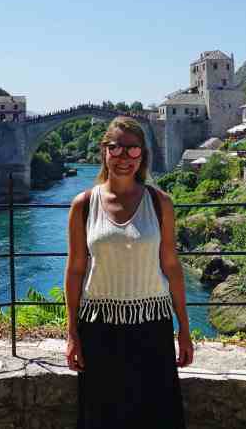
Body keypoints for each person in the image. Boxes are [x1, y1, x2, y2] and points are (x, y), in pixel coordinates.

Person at [64, 116, 193, 428]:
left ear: (142, 155)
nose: (124, 157)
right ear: (104, 151)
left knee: (156, 416)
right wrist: (72, 333)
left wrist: (184, 329)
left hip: (152, 326)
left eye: (132, 149)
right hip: (99, 328)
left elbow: (171, 266)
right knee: (101, 416)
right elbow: (75, 270)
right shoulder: (83, 205)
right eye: (116, 148)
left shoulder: (160, 202)